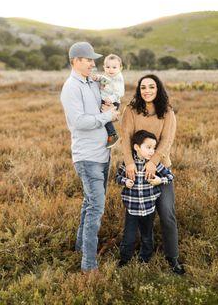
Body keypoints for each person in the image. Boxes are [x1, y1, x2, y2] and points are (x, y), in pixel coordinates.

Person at [60, 42, 119, 273]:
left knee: (89, 203)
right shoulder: (70, 88)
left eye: (93, 60)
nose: (93, 63)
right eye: (88, 60)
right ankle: (89, 265)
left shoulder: (91, 82)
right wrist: (106, 117)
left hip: (103, 153)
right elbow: (79, 122)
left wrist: (110, 106)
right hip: (87, 157)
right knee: (96, 207)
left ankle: (78, 246)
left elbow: (104, 101)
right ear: (75, 61)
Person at [121, 74, 185, 274]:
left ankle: (172, 258)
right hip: (136, 170)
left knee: (167, 214)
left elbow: (167, 141)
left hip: (159, 169)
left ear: (158, 89)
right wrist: (129, 163)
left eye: (151, 87)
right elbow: (125, 138)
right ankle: (135, 254)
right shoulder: (131, 110)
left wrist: (153, 162)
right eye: (143, 87)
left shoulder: (166, 112)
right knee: (137, 215)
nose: (147, 90)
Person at [116, 130, 174, 267]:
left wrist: (160, 180)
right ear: (136, 147)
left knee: (147, 236)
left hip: (149, 208)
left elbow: (171, 176)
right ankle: (124, 259)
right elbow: (117, 177)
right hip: (132, 208)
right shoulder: (128, 164)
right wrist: (125, 181)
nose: (152, 151)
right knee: (129, 236)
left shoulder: (155, 165)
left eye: (153, 148)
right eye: (148, 147)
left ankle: (145, 258)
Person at [92, 53, 124, 148]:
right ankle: (105, 135)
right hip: (106, 100)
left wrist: (111, 99)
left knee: (105, 117)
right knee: (102, 117)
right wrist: (97, 77)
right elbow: (104, 79)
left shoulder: (118, 78)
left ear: (120, 68)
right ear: (104, 67)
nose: (111, 69)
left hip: (112, 102)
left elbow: (120, 92)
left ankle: (112, 134)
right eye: (108, 67)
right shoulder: (109, 75)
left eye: (114, 67)